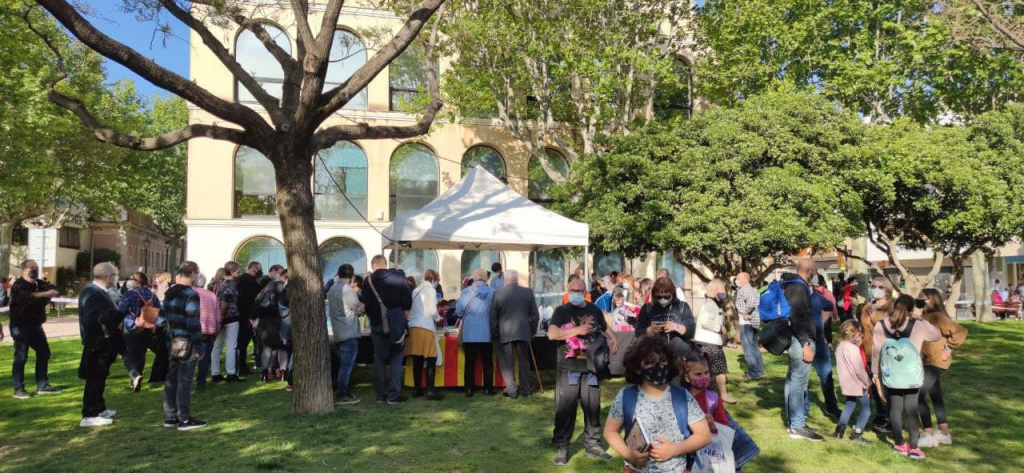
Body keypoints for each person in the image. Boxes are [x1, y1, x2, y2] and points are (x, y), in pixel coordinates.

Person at [604, 336, 712, 473]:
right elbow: (610, 431)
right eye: (650, 362)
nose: (658, 366)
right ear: (637, 367)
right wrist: (628, 453)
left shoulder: (682, 396)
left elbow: (704, 435)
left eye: (662, 361)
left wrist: (675, 449)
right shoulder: (626, 396)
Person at [548, 278, 619, 466]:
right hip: (568, 367)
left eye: (580, 290)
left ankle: (592, 445)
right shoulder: (561, 311)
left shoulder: (593, 309)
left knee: (592, 408)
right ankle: (562, 446)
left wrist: (613, 339)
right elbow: (552, 334)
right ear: (568, 289)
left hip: (591, 368)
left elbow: (603, 326)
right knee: (565, 409)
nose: (576, 293)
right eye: (573, 290)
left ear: (586, 291)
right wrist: (577, 330)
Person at [871, 294, 940, 459]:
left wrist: (875, 374)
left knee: (895, 408)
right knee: (911, 409)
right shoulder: (917, 324)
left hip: (891, 374)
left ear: (894, 306)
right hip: (912, 375)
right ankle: (914, 448)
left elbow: (876, 353)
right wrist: (922, 319)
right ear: (911, 308)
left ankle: (899, 444)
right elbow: (936, 335)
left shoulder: (881, 325)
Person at [916, 288, 968, 448]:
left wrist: (948, 349)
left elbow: (960, 331)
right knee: (936, 396)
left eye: (923, 298)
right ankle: (944, 433)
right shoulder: (923, 316)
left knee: (917, 394)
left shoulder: (938, 317)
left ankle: (928, 434)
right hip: (924, 362)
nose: (920, 299)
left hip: (936, 361)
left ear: (931, 299)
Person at [359, 255, 413, 404]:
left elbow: (365, 304)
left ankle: (381, 394)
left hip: (377, 324)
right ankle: (394, 395)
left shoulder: (368, 281)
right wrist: (404, 319)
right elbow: (408, 302)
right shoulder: (399, 277)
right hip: (397, 322)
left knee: (379, 359)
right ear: (385, 264)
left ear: (373, 265)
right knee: (396, 358)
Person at [77, 262, 123, 427]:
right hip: (97, 343)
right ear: (108, 277)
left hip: (103, 342)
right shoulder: (93, 293)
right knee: (94, 378)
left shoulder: (98, 292)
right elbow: (93, 321)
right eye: (114, 276)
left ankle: (99, 408)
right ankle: (89, 414)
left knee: (101, 376)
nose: (115, 279)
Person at [162, 262, 207, 431]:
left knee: (172, 378)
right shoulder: (190, 294)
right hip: (186, 341)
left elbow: (161, 317)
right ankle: (184, 419)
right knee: (184, 380)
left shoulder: (169, 292)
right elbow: (193, 322)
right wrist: (200, 346)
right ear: (194, 274)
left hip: (172, 339)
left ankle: (171, 416)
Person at [9, 259, 61, 399]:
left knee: (44, 353)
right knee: (21, 357)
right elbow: (28, 297)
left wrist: (45, 293)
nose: (35, 270)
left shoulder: (39, 283)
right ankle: (18, 389)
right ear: (24, 270)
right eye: (32, 267)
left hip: (35, 325)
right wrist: (45, 294)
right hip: (21, 326)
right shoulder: (19, 285)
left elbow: (55, 289)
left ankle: (42, 385)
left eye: (36, 267)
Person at [783, 258, 821, 441]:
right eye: (815, 270)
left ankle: (794, 422)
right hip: (800, 341)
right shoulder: (798, 288)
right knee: (798, 383)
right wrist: (806, 342)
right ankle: (797, 425)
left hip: (797, 339)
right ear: (808, 270)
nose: (816, 273)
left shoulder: (793, 285)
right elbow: (797, 317)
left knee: (792, 382)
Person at [489, 269, 540, 399]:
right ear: (516, 279)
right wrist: (532, 331)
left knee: (507, 363)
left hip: (504, 332)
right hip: (523, 331)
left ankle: (512, 390)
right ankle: (526, 390)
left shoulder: (498, 294)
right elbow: (535, 315)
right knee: (524, 362)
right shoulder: (527, 292)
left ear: (505, 280)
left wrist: (494, 333)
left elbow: (493, 316)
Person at [119, 272, 165, 392]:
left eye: (131, 279)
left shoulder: (129, 294)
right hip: (148, 328)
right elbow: (159, 311)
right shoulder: (152, 295)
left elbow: (121, 309)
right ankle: (136, 378)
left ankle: (134, 376)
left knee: (127, 352)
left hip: (132, 327)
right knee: (141, 354)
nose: (130, 281)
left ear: (137, 281)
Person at [693, 279, 737, 404]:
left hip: (711, 341)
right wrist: (719, 328)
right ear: (715, 290)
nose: (724, 292)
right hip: (708, 342)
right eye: (722, 289)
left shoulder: (715, 303)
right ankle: (723, 395)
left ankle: (712, 394)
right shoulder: (709, 304)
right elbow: (705, 321)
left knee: (712, 370)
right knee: (719, 370)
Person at [634, 277, 696, 362]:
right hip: (654, 356)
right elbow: (638, 333)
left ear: (673, 294)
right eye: (658, 297)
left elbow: (691, 330)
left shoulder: (682, 306)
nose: (662, 299)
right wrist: (650, 330)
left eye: (667, 296)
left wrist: (676, 327)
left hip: (680, 356)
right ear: (653, 295)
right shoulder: (647, 308)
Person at [861, 277, 895, 432]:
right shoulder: (868, 307)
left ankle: (890, 418)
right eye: (873, 286)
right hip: (868, 351)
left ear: (886, 289)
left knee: (886, 386)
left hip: (886, 352)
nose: (875, 288)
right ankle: (881, 414)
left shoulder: (892, 308)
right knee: (874, 386)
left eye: (880, 286)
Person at [456, 268, 496, 396]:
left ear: (473, 278)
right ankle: (488, 388)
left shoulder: (465, 292)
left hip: (469, 333)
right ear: (486, 278)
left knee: (469, 362)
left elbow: (459, 312)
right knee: (487, 362)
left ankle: (469, 388)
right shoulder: (492, 292)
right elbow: (496, 312)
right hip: (487, 332)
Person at [328, 264, 364, 404]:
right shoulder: (347, 290)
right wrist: (361, 308)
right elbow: (358, 308)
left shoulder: (332, 289)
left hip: (338, 329)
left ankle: (343, 390)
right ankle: (342, 393)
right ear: (351, 276)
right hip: (349, 330)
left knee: (342, 363)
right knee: (347, 364)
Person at [406, 270, 444, 401]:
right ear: (434, 279)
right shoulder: (431, 291)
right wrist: (439, 318)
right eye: (438, 280)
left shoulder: (416, 290)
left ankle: (417, 389)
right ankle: (430, 390)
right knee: (431, 359)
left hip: (413, 326)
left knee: (418, 359)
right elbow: (432, 310)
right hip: (425, 326)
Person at [833, 320, 872, 444]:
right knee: (866, 409)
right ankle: (857, 434)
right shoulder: (853, 349)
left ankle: (839, 431)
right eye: (859, 334)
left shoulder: (840, 347)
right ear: (853, 333)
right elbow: (859, 370)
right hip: (858, 383)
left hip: (846, 383)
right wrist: (868, 382)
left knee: (850, 404)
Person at [809, 278, 841, 418]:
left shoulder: (817, 297)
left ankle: (831, 407)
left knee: (826, 376)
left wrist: (825, 318)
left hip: (817, 341)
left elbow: (830, 305)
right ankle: (802, 412)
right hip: (806, 341)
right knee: (802, 379)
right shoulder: (803, 297)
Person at [212, 261, 243, 382]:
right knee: (231, 345)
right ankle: (231, 372)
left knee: (217, 345)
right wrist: (221, 315)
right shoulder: (230, 284)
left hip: (222, 316)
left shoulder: (219, 283)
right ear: (232, 271)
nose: (239, 272)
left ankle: (215, 372)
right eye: (237, 270)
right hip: (230, 316)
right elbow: (225, 301)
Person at [193, 273, 221, 391]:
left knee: (189, 358)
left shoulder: (190, 293)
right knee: (204, 358)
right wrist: (216, 329)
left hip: (194, 328)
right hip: (209, 330)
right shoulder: (211, 295)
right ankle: (201, 382)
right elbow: (218, 315)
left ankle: (186, 382)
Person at [733, 272, 764, 381]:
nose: (736, 280)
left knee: (748, 349)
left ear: (744, 279)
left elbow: (751, 301)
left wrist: (746, 312)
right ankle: (760, 371)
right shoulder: (752, 289)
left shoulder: (744, 289)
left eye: (737, 278)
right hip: (754, 322)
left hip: (746, 323)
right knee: (755, 347)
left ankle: (752, 373)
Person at [235, 261, 263, 376]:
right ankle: (242, 366)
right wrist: (251, 316)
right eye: (259, 268)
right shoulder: (250, 281)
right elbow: (251, 301)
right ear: (254, 268)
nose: (260, 271)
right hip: (247, 316)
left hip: (241, 315)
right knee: (244, 342)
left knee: (241, 343)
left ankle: (239, 365)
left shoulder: (240, 279)